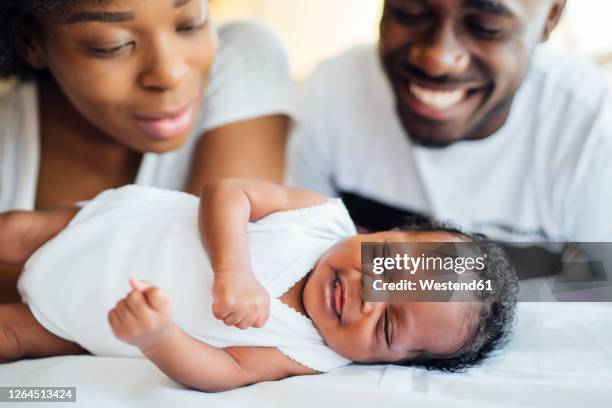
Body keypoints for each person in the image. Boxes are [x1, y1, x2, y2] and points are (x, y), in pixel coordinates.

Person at [0, 180, 518, 392]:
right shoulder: (316, 216)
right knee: (12, 232)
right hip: (105, 230)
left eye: (386, 325)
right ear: (381, 233)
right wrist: (233, 271)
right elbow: (228, 192)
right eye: (386, 267)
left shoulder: (312, 354)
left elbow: (225, 372)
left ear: (388, 362)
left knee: (12, 337)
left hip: (83, 320)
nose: (367, 298)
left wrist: (158, 338)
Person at [0, 0, 294, 299]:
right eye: (112, 46)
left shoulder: (242, 59)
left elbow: (202, 296)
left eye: (190, 24)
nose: (169, 74)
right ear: (30, 43)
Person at [288, 0, 612, 244]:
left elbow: (597, 306)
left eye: (486, 26)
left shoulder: (594, 130)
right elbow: (298, 256)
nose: (437, 58)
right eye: (409, 11)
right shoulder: (333, 91)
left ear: (551, 16)